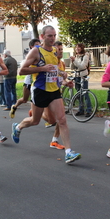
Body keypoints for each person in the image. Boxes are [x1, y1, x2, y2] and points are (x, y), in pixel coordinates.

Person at [11, 25, 81, 164]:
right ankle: (18, 127)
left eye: (54, 35)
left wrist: (62, 75)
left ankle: (68, 152)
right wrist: (42, 68)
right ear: (42, 37)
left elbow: (53, 70)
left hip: (54, 90)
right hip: (40, 90)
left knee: (62, 120)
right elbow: (22, 71)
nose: (52, 38)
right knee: (35, 121)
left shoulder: (55, 51)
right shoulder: (35, 52)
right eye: (49, 36)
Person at [9, 38, 41, 119]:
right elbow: (23, 68)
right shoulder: (29, 56)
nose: (39, 46)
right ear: (31, 46)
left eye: (39, 44)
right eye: (36, 44)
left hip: (37, 81)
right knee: (24, 99)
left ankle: (39, 115)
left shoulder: (42, 55)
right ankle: (14, 106)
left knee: (37, 100)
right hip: (29, 81)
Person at [70, 43, 92, 117]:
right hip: (76, 76)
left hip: (83, 76)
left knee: (85, 93)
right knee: (79, 94)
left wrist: (75, 61)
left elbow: (82, 66)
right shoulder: (76, 56)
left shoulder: (85, 56)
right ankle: (81, 109)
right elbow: (72, 67)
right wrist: (72, 61)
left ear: (82, 48)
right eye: (76, 47)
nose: (77, 49)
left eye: (79, 47)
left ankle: (89, 110)